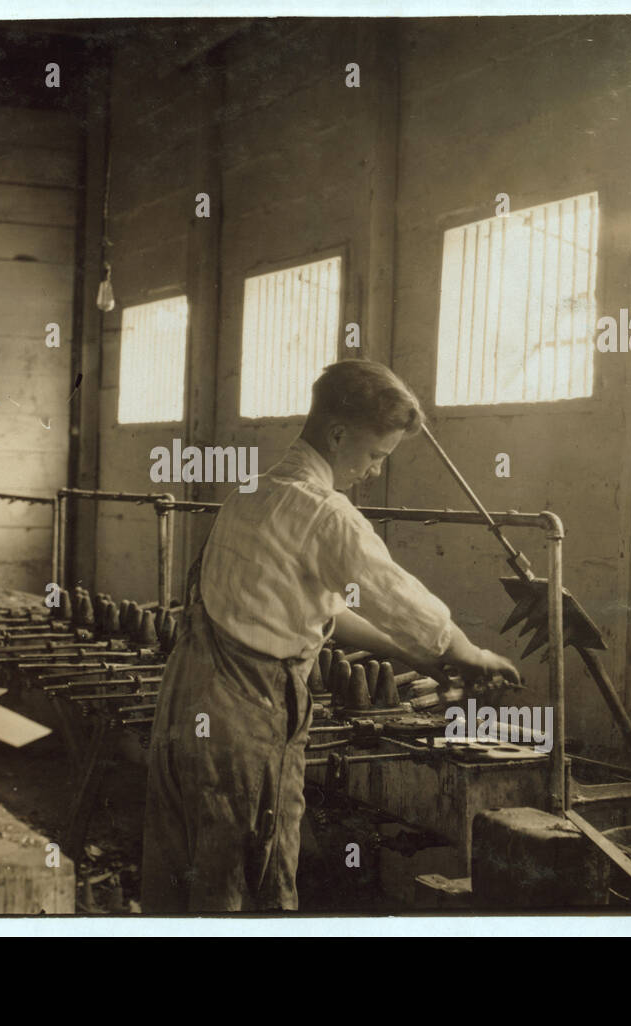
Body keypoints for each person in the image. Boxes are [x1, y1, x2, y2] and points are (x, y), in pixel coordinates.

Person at [141, 359, 522, 912]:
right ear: (338, 434)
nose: (372, 472)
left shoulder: (251, 493)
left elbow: (330, 613)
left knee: (182, 869)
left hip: (187, 698)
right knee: (248, 876)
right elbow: (392, 591)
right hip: (246, 713)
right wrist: (466, 651)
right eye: (374, 456)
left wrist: (424, 656)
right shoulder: (326, 514)